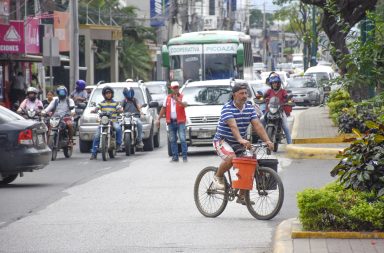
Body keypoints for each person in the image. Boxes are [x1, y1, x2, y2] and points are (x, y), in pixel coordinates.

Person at [212, 82, 274, 205]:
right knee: (232, 158)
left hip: (241, 142)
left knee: (250, 163)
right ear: (234, 95)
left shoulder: (250, 107)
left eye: (246, 93)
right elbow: (233, 126)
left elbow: (258, 125)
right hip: (223, 140)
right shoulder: (227, 108)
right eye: (241, 93)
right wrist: (240, 139)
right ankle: (218, 176)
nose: (244, 96)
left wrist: (267, 140)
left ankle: (241, 196)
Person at [156, 81, 188, 162]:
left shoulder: (182, 96)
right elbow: (163, 108)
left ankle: (184, 156)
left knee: (183, 139)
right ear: (171, 89)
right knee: (172, 140)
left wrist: (178, 100)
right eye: (174, 88)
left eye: (177, 87)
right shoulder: (167, 98)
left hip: (180, 122)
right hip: (171, 122)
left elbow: (185, 105)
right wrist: (158, 119)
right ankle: (175, 157)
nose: (176, 89)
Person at [90, 86, 123, 160]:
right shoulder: (101, 103)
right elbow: (97, 108)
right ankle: (94, 153)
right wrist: (94, 110)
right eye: (106, 93)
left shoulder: (115, 103)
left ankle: (118, 144)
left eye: (109, 93)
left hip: (113, 121)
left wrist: (120, 110)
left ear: (112, 94)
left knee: (118, 128)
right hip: (103, 123)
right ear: (104, 95)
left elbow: (119, 108)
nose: (108, 95)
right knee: (96, 136)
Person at [263, 75, 292, 144]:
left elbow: (286, 97)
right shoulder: (269, 91)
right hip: (269, 111)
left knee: (286, 127)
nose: (274, 84)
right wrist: (262, 98)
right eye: (273, 83)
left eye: (276, 83)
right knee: (261, 120)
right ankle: (262, 137)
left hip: (280, 111)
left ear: (279, 83)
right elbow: (263, 97)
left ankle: (290, 144)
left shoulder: (283, 91)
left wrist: (288, 99)